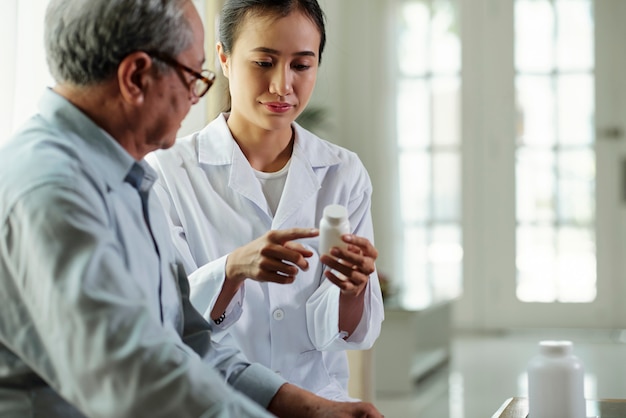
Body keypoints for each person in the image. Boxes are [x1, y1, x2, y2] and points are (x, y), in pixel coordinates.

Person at [0, 0, 383, 417]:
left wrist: (312, 410)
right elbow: (136, 383)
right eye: (192, 76)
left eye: (301, 65)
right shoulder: (51, 192)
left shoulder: (127, 181)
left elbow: (191, 344)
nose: (193, 96)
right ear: (136, 76)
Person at [146, 0, 384, 401]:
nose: (282, 86)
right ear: (223, 58)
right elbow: (172, 322)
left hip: (319, 400)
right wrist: (233, 269)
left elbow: (342, 333)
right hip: (215, 404)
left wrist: (353, 289)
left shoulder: (343, 172)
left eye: (301, 65)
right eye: (263, 62)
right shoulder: (168, 172)